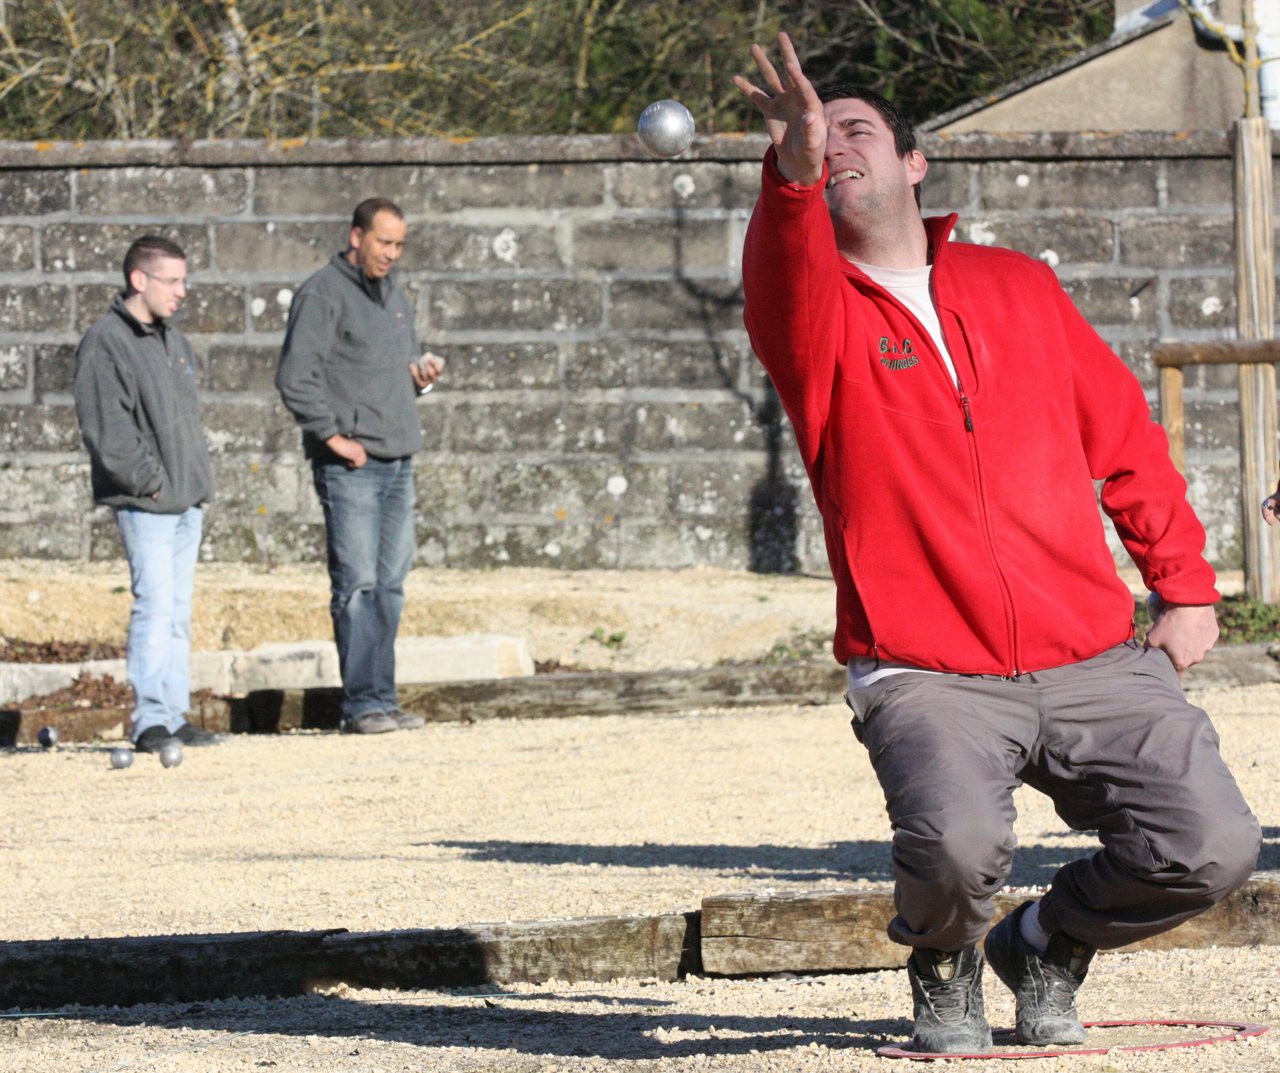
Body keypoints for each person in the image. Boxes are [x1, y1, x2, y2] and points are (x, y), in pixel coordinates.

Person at [734, 34, 1260, 1055]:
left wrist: (1184, 585)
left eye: (855, 129)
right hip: (924, 664)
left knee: (1210, 844)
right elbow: (780, 270)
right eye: (817, 134)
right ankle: (944, 961)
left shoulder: (1017, 284)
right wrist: (787, 177)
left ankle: (1045, 943)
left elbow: (1124, 440)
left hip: (1088, 650)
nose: (833, 143)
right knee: (954, 849)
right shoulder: (813, 314)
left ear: (914, 162)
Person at [276, 197, 444, 735]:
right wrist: (333, 438)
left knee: (390, 585)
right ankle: (361, 705)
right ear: (356, 237)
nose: (392, 254)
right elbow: (295, 377)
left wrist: (421, 379)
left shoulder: (394, 295)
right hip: (353, 466)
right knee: (357, 586)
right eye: (384, 242)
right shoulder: (322, 294)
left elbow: (394, 372)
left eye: (399, 245)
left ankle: (382, 698)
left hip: (398, 459)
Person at [73, 235, 219, 753]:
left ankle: (174, 716)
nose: (182, 291)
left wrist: (191, 483)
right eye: (172, 281)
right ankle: (150, 721)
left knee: (176, 611)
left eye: (184, 280)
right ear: (140, 279)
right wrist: (148, 481)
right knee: (155, 608)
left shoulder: (172, 342)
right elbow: (106, 428)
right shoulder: (106, 341)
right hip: (148, 502)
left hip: (184, 498)